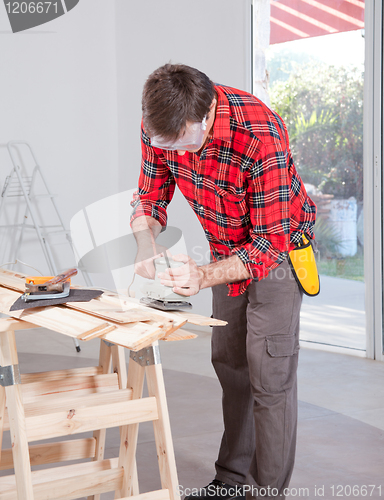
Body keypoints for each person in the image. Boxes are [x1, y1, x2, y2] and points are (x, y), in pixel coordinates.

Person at [130, 64, 317, 500]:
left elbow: (270, 244)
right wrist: (144, 242)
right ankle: (232, 483)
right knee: (231, 367)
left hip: (280, 255)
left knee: (268, 377)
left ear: (209, 112)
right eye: (164, 142)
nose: (173, 149)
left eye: (183, 140)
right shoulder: (161, 122)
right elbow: (150, 193)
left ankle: (268, 493)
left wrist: (202, 276)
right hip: (224, 249)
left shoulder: (260, 133)